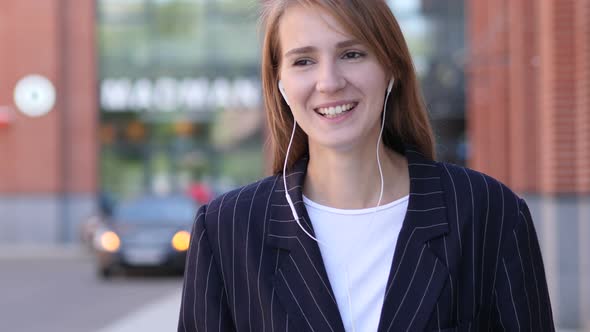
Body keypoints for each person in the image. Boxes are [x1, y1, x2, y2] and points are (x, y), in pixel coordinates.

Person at [178, 0, 554, 331]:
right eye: (304, 61)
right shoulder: (226, 230)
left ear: (391, 67)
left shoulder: (489, 213)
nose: (329, 82)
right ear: (279, 82)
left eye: (352, 54)